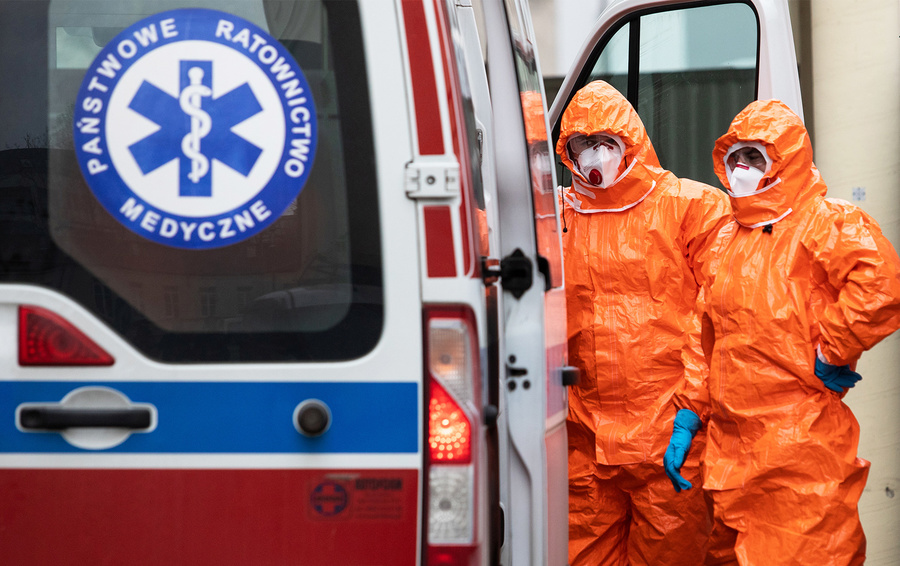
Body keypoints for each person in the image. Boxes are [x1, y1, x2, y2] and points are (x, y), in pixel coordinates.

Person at [664, 99, 900, 565]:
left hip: (799, 450)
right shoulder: (727, 239)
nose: (742, 168)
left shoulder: (823, 221)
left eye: (755, 156)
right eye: (736, 157)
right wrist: (689, 412)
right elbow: (703, 333)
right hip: (730, 451)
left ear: (784, 160)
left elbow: (881, 284)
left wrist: (833, 348)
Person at [557, 80, 731, 565]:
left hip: (669, 438)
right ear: (566, 152)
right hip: (586, 444)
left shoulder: (691, 208)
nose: (594, 154)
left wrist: (692, 411)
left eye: (605, 141)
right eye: (582, 143)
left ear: (629, 141)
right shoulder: (558, 215)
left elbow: (718, 315)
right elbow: (485, 235)